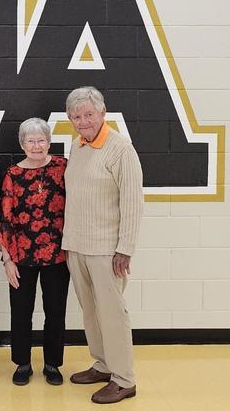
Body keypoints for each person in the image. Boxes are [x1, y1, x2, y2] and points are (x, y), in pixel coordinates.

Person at [62, 86, 143, 404]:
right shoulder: (77, 147)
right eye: (77, 116)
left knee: (112, 314)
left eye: (89, 114)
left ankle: (124, 380)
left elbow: (132, 202)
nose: (83, 121)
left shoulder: (121, 149)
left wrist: (125, 248)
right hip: (77, 245)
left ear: (102, 113)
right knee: (91, 312)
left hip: (107, 250)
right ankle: (103, 365)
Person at [0, 117, 69, 387]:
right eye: (31, 141)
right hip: (21, 256)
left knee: (55, 312)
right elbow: (5, 219)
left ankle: (52, 364)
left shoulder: (62, 167)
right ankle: (22, 364)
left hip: (58, 255)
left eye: (41, 140)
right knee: (21, 311)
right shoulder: (13, 174)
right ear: (22, 144)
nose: (37, 146)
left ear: (49, 142)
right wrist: (7, 260)